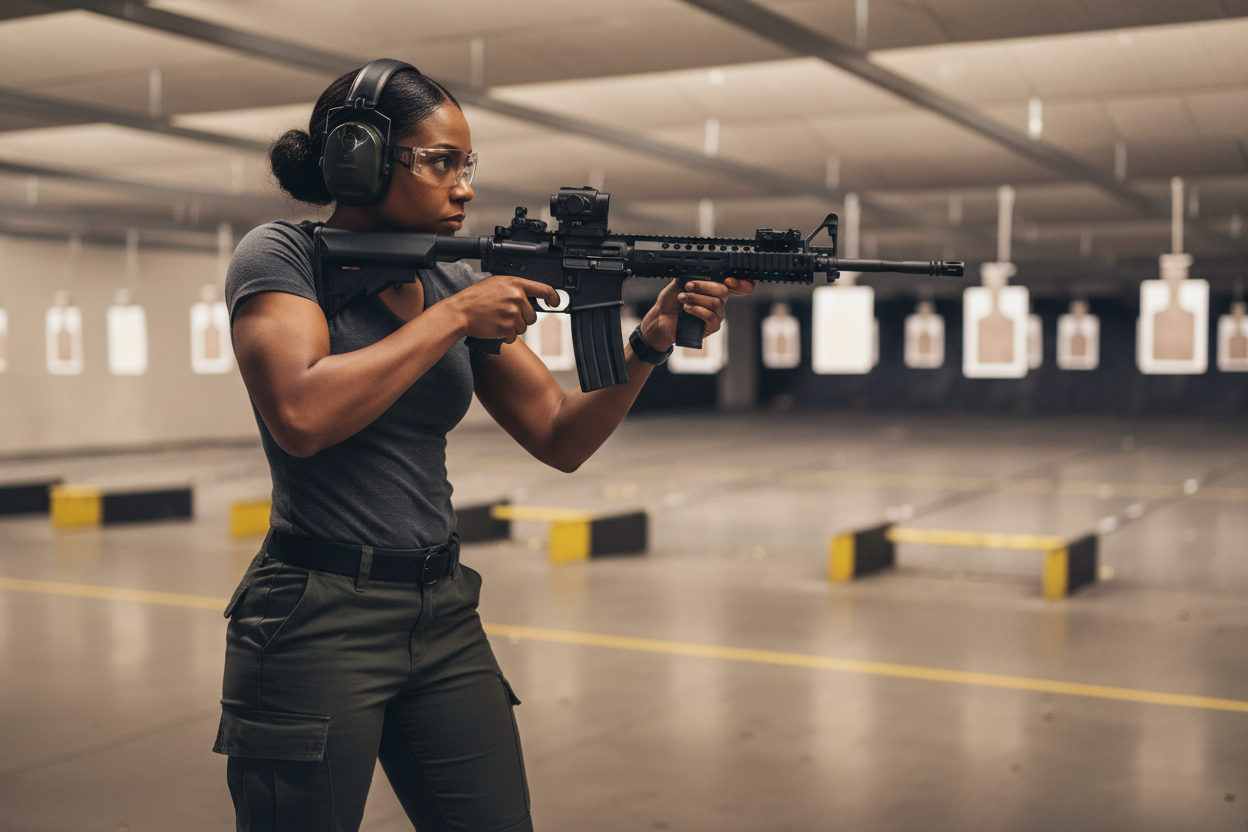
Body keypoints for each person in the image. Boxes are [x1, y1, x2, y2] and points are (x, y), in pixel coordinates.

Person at [212, 59, 754, 832]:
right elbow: (300, 413)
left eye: (467, 165)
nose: (462, 186)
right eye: (439, 162)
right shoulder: (283, 256)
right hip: (315, 613)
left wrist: (648, 345)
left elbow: (560, 435)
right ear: (358, 157)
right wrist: (456, 318)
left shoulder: (443, 282)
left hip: (441, 612)